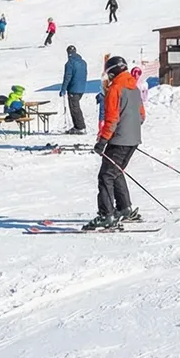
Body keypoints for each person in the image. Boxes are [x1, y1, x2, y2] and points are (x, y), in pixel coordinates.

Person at [87, 55, 145, 230]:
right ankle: (124, 208)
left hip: (119, 139)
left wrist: (103, 141)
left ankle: (106, 215)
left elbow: (111, 119)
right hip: (133, 139)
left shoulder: (115, 89)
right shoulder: (134, 88)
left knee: (105, 176)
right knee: (116, 172)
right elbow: (141, 116)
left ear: (112, 73)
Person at [62, 45, 89, 134]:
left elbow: (67, 77)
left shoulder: (70, 63)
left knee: (74, 108)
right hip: (81, 88)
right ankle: (78, 126)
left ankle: (80, 127)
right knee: (75, 107)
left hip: (73, 88)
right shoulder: (83, 62)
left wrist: (63, 89)